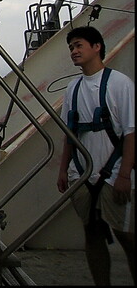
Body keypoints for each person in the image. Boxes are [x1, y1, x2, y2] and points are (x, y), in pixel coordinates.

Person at [56, 25, 135, 286]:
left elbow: (131, 132)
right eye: (71, 48)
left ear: (96, 47)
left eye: (78, 45)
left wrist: (125, 174)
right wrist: (63, 169)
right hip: (83, 174)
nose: (74, 51)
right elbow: (70, 133)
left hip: (114, 173)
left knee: (127, 235)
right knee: (92, 234)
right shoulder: (73, 88)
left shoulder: (119, 84)